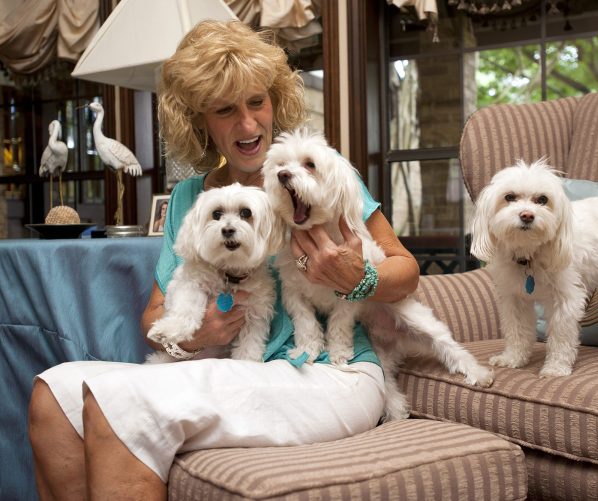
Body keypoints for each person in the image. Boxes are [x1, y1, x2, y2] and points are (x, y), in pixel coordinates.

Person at [28, 19, 420, 500]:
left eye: (257, 101)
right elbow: (154, 316)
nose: (249, 123)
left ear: (275, 99)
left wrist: (357, 279)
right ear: (199, 120)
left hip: (329, 372)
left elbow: (407, 272)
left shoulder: (319, 176)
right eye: (225, 109)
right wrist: (198, 333)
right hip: (231, 364)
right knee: (54, 391)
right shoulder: (192, 199)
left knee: (126, 402)